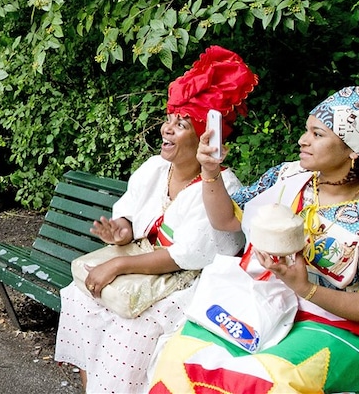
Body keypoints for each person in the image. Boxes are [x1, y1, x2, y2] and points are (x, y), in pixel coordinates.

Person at [149, 85, 359, 393]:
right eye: (306, 130)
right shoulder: (289, 176)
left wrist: (306, 288)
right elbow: (226, 220)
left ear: (353, 148)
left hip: (347, 328)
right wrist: (210, 170)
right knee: (181, 358)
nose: (303, 140)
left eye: (318, 134)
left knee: (259, 379)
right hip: (266, 301)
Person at [53, 46, 256, 393]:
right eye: (170, 119)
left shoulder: (222, 186)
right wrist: (122, 230)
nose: (167, 129)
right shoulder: (155, 168)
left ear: (207, 135)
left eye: (181, 124)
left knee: (126, 331)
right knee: (79, 295)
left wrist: (117, 266)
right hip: (143, 263)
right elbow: (132, 213)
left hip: (190, 283)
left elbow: (187, 256)